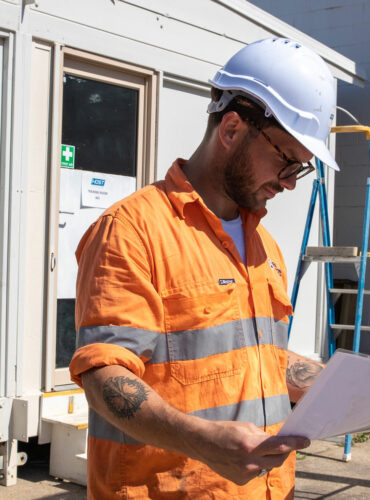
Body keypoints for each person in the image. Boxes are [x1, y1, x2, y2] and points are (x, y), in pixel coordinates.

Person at [69, 37, 338, 499]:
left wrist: (346, 384)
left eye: (301, 170)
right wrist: (201, 441)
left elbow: (253, 358)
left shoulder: (263, 245)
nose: (290, 184)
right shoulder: (132, 230)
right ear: (231, 130)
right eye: (287, 161)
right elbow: (104, 376)